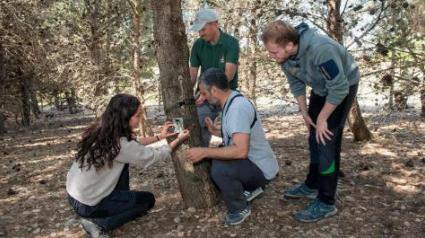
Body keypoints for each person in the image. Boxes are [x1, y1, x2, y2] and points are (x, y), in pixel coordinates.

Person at [261, 20, 360, 222]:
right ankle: (313, 183)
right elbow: (295, 82)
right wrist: (305, 113)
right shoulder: (285, 57)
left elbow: (339, 87)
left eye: (273, 52)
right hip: (321, 89)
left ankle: (326, 201)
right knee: (314, 138)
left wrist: (323, 118)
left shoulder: (321, 49)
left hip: (343, 86)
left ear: (289, 45)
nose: (271, 57)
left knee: (326, 141)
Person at [66, 94, 190, 238]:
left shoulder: (105, 130)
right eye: (137, 116)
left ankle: (114, 204)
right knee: (147, 200)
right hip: (89, 204)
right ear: (125, 117)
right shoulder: (120, 145)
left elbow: (134, 143)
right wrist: (178, 141)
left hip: (74, 195)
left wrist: (159, 137)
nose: (140, 119)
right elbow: (150, 156)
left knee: (123, 167)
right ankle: (98, 222)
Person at [186, 68, 279, 226]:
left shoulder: (237, 108)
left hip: (260, 168)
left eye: (204, 93)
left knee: (220, 167)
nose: (203, 98)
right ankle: (249, 189)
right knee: (215, 159)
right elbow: (238, 134)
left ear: (214, 90)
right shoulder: (231, 101)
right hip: (252, 163)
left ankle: (239, 208)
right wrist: (215, 131)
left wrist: (205, 151)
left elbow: (241, 151)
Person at [189, 8, 240, 147]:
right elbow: (192, 74)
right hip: (204, 96)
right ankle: (203, 160)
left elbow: (228, 75)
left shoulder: (231, 43)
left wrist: (207, 92)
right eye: (198, 30)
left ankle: (232, 157)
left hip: (226, 93)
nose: (200, 33)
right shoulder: (198, 45)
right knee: (200, 128)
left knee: (233, 129)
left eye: (203, 29)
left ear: (215, 25)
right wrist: (191, 94)